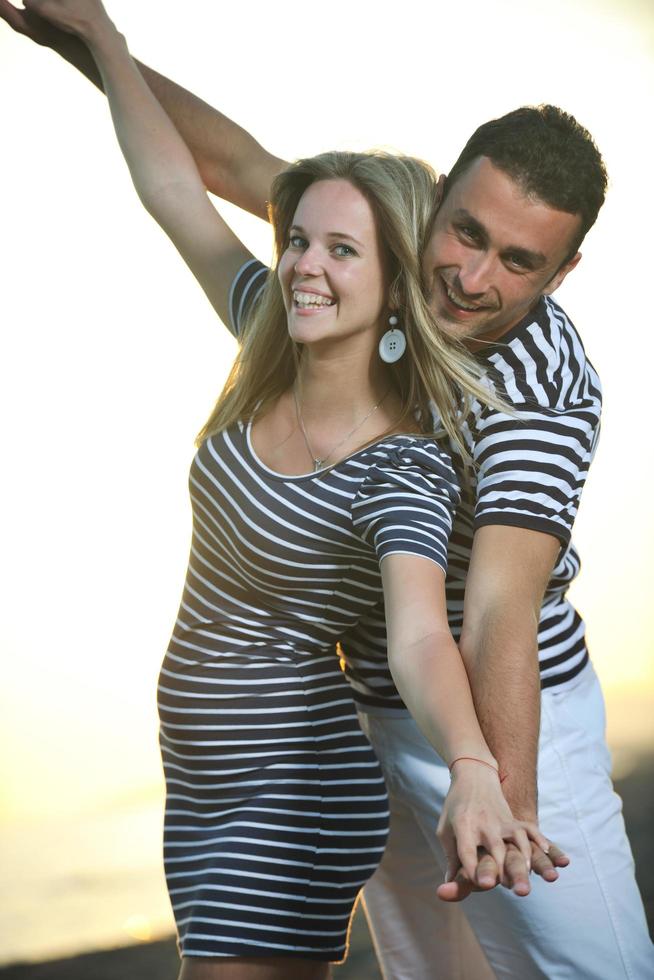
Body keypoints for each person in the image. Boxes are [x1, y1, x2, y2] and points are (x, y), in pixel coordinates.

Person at [3, 4, 653, 978]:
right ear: (434, 203)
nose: (472, 276)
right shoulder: (345, 283)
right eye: (464, 232)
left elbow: (496, 613)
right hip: (360, 708)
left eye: (518, 261)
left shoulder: (535, 391)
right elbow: (223, 171)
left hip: (505, 702)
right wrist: (97, 47)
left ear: (562, 272)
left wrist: (499, 803)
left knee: (589, 963)